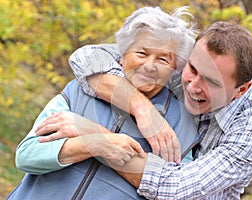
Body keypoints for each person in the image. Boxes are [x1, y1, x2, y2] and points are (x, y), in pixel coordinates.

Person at [44, 21, 252, 199]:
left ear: (241, 89)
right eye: (193, 70)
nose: (193, 86)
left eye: (211, 82)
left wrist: (97, 138)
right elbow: (87, 57)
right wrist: (141, 107)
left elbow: (174, 189)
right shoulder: (183, 59)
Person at [8, 6, 198, 199]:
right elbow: (27, 156)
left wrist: (93, 134)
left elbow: (176, 191)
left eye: (163, 59)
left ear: (175, 69)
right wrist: (96, 143)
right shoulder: (80, 91)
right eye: (141, 53)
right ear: (122, 55)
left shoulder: (182, 123)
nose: (149, 66)